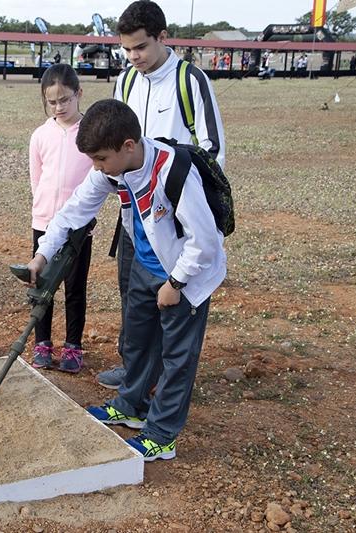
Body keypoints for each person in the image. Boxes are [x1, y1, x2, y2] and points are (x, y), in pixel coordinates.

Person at [27, 99, 226, 461]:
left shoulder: (173, 171)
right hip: (144, 265)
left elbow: (206, 242)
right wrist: (43, 252)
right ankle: (131, 404)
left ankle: (162, 434)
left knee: (176, 356)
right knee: (136, 342)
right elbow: (74, 211)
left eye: (100, 159)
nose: (95, 167)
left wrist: (177, 283)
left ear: (128, 147)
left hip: (186, 274)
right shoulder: (111, 170)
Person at [98, 0, 225, 390]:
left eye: (141, 47)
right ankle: (135, 370)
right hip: (132, 212)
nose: (133, 56)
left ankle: (164, 378)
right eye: (126, 49)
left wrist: (179, 201)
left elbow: (213, 150)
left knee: (171, 299)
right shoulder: (126, 81)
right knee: (132, 295)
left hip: (173, 218)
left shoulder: (191, 80)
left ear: (162, 37)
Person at [28, 64, 93, 374]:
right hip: (43, 223)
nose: (59, 107)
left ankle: (73, 345)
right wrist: (41, 212)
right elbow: (36, 179)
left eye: (65, 100)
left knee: (74, 287)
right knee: (42, 283)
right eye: (52, 102)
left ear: (78, 94)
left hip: (78, 228)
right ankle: (42, 342)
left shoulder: (91, 133)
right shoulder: (40, 135)